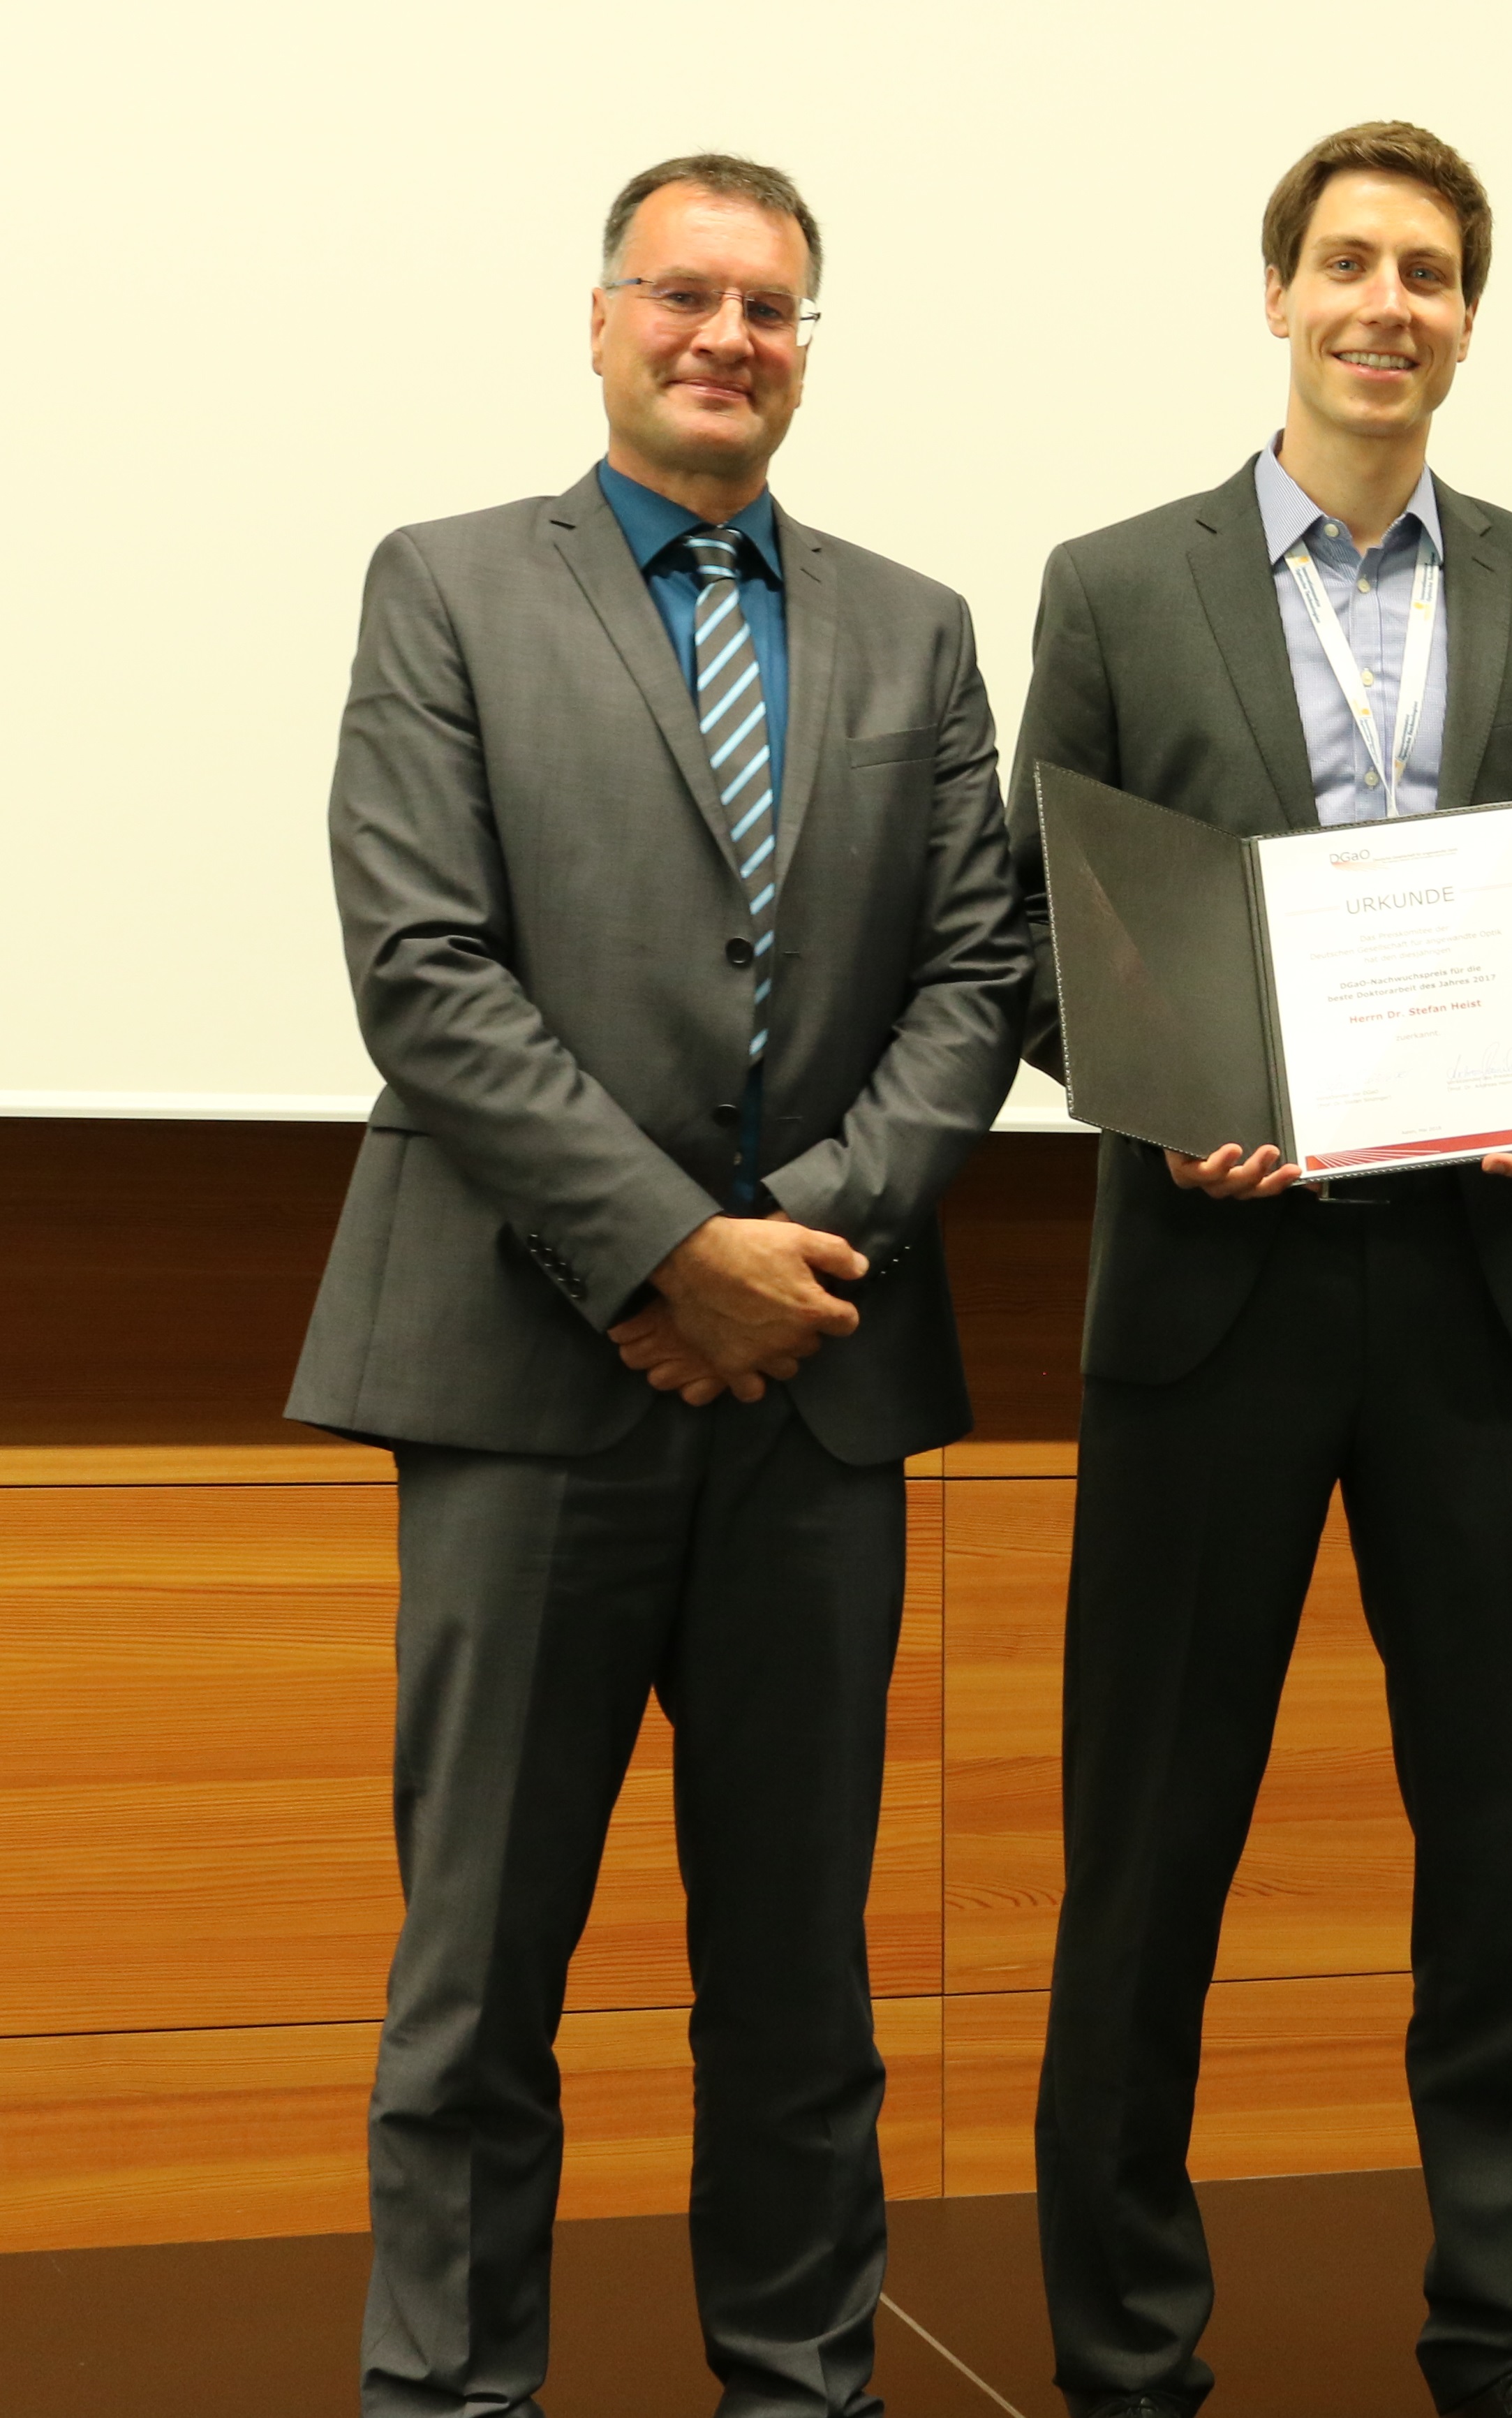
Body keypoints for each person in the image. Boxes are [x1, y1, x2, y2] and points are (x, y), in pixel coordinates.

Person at [289, 152, 1030, 2418]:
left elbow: (978, 965)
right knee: (477, 1979)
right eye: (687, 296)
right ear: (602, 322)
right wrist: (661, 1252)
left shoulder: (912, 628)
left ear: (812, 345)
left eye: (774, 308)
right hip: (526, 1382)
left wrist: (787, 1247)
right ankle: (451, 2394)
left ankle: (802, 2387)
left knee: (800, 1983)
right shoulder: (444, 588)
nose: (729, 337)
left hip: (816, 1379)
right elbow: (424, 968)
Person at [1009, 121, 1512, 2418]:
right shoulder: (1115, 585)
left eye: (1430, 274)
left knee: (1494, 1850)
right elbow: (1032, 938)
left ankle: (1499, 2336)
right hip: (1211, 1291)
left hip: (1483, 1286)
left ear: (1466, 319)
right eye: (1349, 265)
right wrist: (1151, 1081)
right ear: (1276, 293)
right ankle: (1121, 2350)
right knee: (1147, 1851)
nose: (1388, 305)